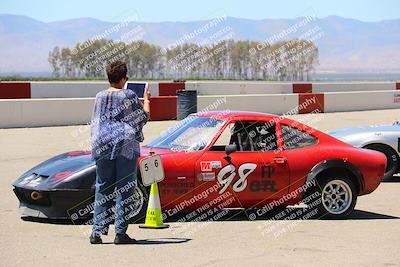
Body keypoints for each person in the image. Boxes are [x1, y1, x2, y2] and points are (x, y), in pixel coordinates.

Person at [89, 61, 150, 244]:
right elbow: (143, 118)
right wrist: (146, 100)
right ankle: (120, 234)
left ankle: (97, 232)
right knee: (125, 188)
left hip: (101, 145)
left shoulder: (99, 96)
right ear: (124, 78)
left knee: (103, 187)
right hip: (125, 146)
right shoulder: (129, 95)